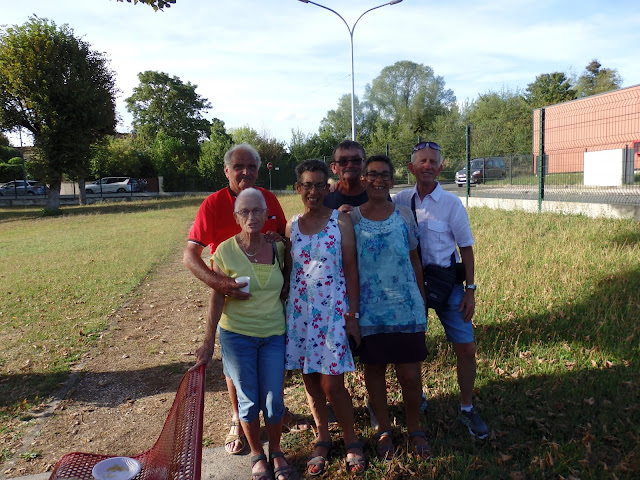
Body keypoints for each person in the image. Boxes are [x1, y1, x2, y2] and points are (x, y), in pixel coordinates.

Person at [183, 143, 309, 456]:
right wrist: (220, 283)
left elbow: (284, 240)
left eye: (251, 166)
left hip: (267, 303)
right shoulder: (213, 205)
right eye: (238, 167)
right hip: (231, 297)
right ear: (226, 171)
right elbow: (190, 255)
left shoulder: (268, 199)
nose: (245, 172)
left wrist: (279, 243)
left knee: (270, 375)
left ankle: (277, 415)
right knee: (236, 371)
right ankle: (237, 420)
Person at [191, 188, 294, 480]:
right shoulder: (224, 251)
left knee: (274, 402)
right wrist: (208, 341)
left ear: (266, 214)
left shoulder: (279, 248)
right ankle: (257, 454)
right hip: (237, 335)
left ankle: (276, 451)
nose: (251, 217)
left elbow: (289, 280)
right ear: (236, 217)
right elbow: (216, 296)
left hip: (273, 333)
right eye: (245, 212)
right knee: (248, 402)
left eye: (257, 210)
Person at [393, 141, 489, 440]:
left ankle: (467, 407)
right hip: (411, 288)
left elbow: (466, 248)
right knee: (412, 350)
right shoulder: (399, 201)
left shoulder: (451, 204)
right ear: (411, 167)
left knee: (466, 348)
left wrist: (470, 290)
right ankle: (417, 396)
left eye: (433, 161)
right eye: (422, 161)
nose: (427, 165)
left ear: (441, 167)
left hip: (447, 285)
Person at [284, 159, 367, 476]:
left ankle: (351, 440)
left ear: (327, 187)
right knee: (310, 381)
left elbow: (351, 271)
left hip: (332, 314)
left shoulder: (340, 222)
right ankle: (322, 438)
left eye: (320, 185)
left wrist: (352, 315)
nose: (314, 191)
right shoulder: (292, 226)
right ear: (298, 188)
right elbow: (289, 272)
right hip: (300, 315)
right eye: (307, 185)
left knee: (332, 384)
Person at [349, 154, 430, 461]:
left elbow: (414, 260)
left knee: (410, 375)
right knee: (375, 372)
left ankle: (415, 429)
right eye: (372, 174)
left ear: (392, 181)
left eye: (384, 175)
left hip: (406, 307)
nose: (378, 180)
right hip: (370, 311)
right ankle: (383, 429)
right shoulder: (351, 219)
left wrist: (421, 300)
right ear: (363, 180)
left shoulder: (405, 215)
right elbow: (349, 268)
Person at [323, 140, 367, 212]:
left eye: (356, 160)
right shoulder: (325, 200)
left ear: (364, 164)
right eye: (343, 161)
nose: (349, 165)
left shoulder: (377, 197)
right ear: (334, 168)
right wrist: (336, 216)